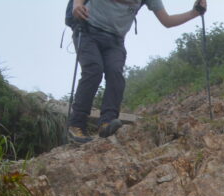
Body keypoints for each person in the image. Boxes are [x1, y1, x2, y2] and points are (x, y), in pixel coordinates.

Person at [67, 0, 208, 144]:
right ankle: (76, 125)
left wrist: (194, 13)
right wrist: (77, 5)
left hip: (115, 40)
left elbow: (167, 21)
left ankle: (107, 123)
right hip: (87, 31)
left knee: (115, 74)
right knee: (94, 71)